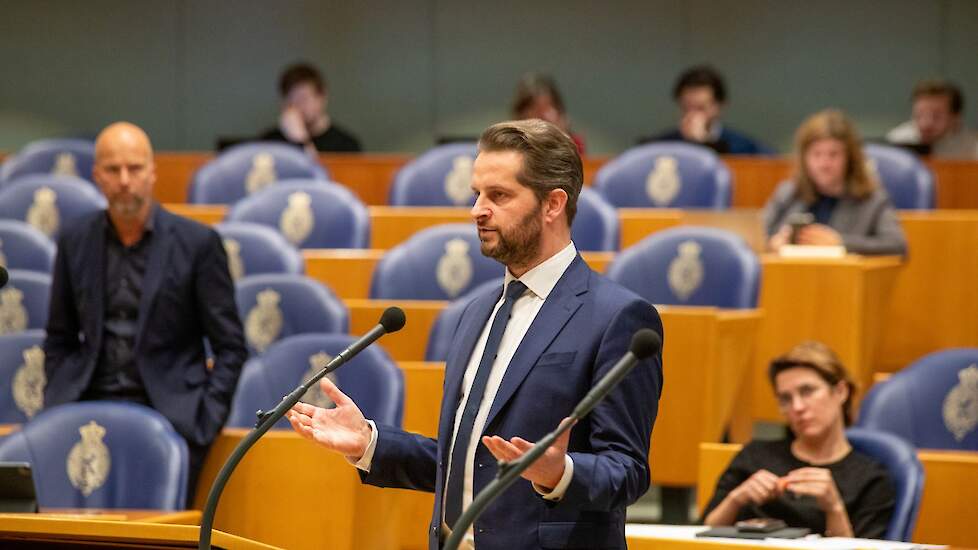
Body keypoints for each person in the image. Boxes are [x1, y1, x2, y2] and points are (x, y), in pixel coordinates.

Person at [287, 119, 663, 549]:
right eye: (477, 194)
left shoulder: (618, 317)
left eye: (498, 195)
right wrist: (371, 443)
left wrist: (561, 473)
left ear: (553, 204)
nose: (477, 209)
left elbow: (629, 470)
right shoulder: (477, 312)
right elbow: (469, 463)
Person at [43, 122, 247, 501]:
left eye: (135, 169)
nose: (124, 180)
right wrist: (58, 394)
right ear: (96, 176)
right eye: (113, 169)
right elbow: (59, 337)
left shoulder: (198, 244)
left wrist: (206, 418)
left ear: (152, 173)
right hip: (86, 404)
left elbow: (231, 347)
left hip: (171, 414)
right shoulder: (74, 240)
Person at [702, 341, 896, 538]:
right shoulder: (754, 455)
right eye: (785, 399)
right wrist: (737, 498)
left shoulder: (871, 479)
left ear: (840, 392)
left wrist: (834, 508)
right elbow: (700, 532)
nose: (797, 407)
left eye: (807, 391)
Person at [764, 109, 908, 256]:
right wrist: (772, 243)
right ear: (804, 157)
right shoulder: (789, 192)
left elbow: (897, 246)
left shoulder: (872, 199)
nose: (824, 164)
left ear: (850, 158)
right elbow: (760, 236)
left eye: (833, 154)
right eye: (816, 154)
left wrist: (840, 243)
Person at [643, 65, 770, 155]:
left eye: (700, 108)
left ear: (719, 106)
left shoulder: (743, 146)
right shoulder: (663, 145)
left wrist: (705, 142)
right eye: (686, 107)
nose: (692, 115)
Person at [261, 62, 362, 155]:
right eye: (290, 101)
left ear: (322, 97)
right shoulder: (269, 142)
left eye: (303, 99)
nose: (297, 107)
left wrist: (301, 140)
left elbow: (322, 174)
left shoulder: (346, 146)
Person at [886, 79, 978, 159]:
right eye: (919, 115)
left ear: (956, 118)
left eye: (936, 116)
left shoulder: (973, 147)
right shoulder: (897, 141)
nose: (926, 124)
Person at [511, 72, 585, 153]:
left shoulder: (574, 143)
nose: (544, 116)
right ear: (521, 113)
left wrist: (562, 139)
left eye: (548, 106)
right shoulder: (511, 143)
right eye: (536, 109)